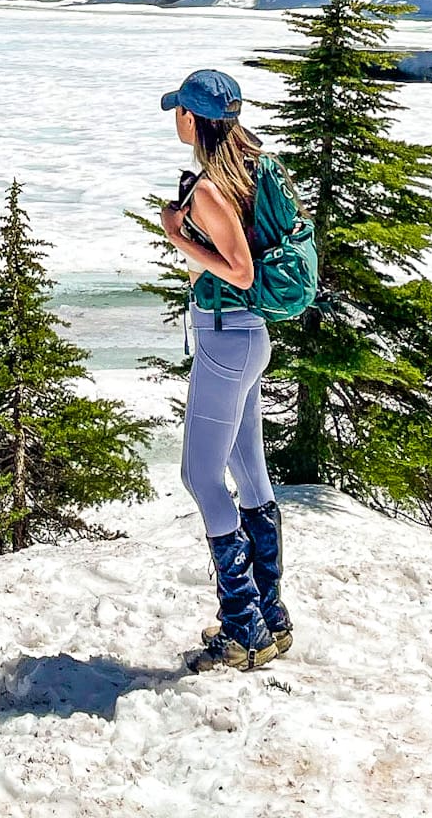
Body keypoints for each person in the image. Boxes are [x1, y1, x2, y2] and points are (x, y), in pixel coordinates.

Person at [159, 67, 292, 673]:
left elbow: (237, 269)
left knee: (200, 477)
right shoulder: (256, 167)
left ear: (193, 119)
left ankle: (243, 629)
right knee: (250, 472)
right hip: (251, 337)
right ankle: (272, 619)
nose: (174, 121)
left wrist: (175, 237)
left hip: (224, 336)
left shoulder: (212, 188)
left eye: (177, 111)